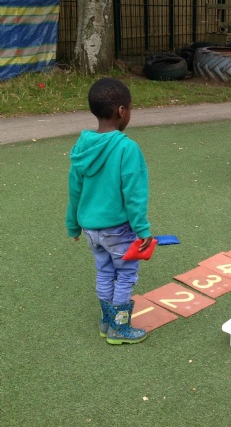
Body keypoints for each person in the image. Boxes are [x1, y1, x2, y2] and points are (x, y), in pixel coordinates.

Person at [66, 78, 153, 345]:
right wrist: (143, 230)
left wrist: (73, 226)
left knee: (104, 271)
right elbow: (134, 195)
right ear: (122, 111)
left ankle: (106, 322)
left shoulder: (82, 147)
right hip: (118, 230)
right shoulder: (127, 147)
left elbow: (74, 191)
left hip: (91, 229)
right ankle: (119, 327)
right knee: (125, 274)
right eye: (130, 108)